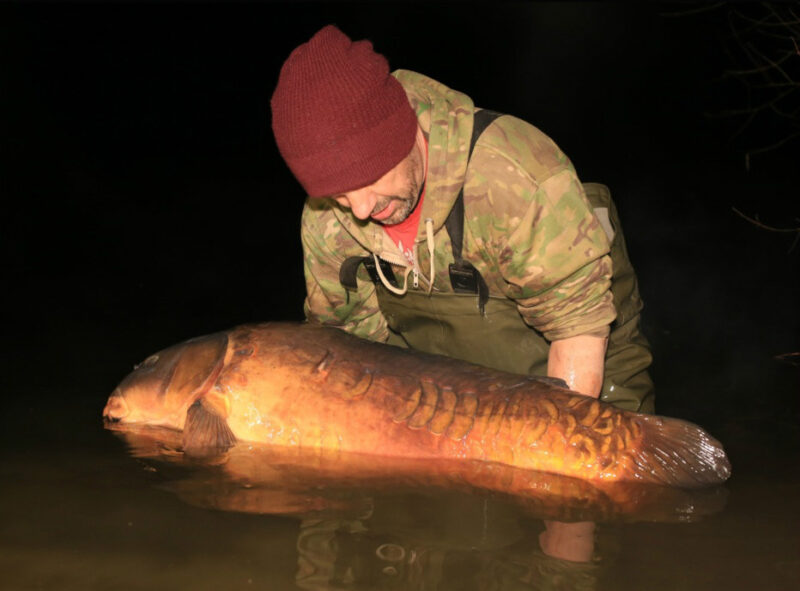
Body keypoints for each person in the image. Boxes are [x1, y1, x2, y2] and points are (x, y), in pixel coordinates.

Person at [270, 24, 654, 413]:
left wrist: (556, 451)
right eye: (337, 195)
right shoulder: (327, 221)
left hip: (581, 365)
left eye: (369, 180)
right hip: (444, 394)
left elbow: (577, 329)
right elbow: (350, 353)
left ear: (402, 133)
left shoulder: (511, 177)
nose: (361, 210)